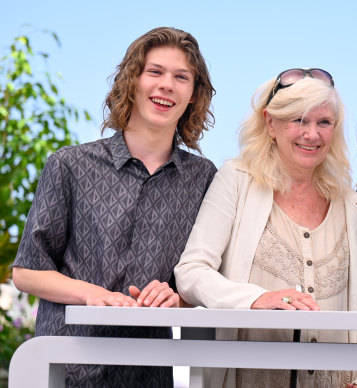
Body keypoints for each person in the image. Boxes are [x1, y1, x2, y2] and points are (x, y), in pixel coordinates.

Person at [12, 27, 216, 388]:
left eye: (181, 77)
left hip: (150, 374)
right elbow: (27, 272)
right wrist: (94, 293)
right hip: (66, 368)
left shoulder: (204, 178)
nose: (167, 84)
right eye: (155, 72)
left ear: (193, 96)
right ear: (131, 81)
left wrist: (180, 300)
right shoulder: (70, 165)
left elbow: (208, 281)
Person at [175, 68, 357, 388]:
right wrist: (255, 299)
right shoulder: (236, 179)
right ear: (271, 123)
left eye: (323, 122)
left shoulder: (349, 204)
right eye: (298, 120)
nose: (312, 134)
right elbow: (191, 272)